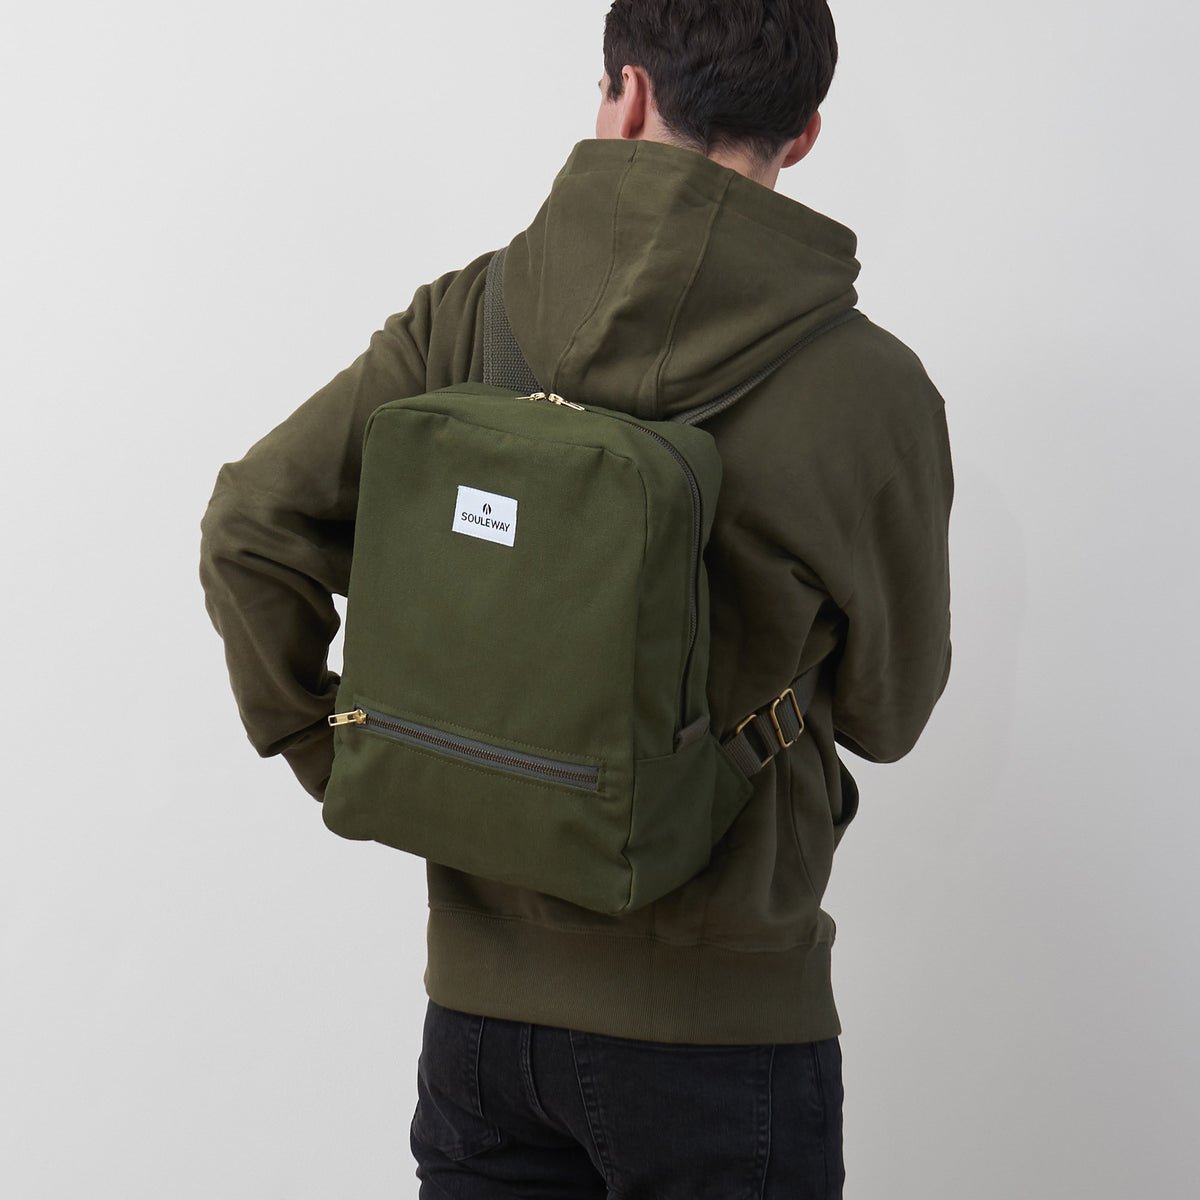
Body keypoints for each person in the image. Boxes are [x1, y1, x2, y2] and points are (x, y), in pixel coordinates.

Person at [199, 1, 953, 1195]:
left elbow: (252, 524)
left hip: (481, 1034)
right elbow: (888, 715)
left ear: (629, 93)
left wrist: (333, 748)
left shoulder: (469, 314)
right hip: (725, 1032)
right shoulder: (873, 390)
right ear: (804, 132)